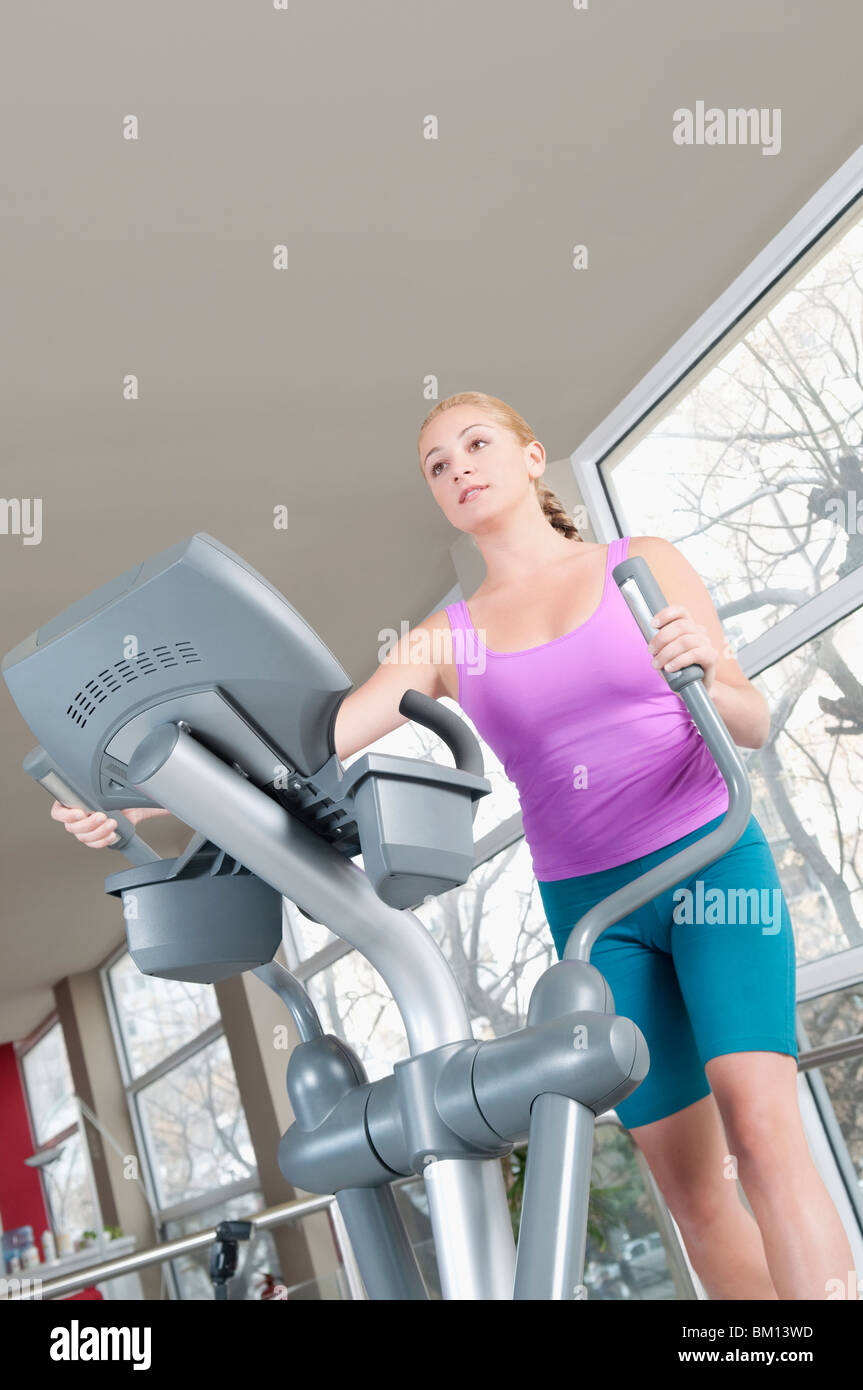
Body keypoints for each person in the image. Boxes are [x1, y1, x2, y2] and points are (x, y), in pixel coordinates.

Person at [53, 390, 856, 1302]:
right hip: (595, 912)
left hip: (709, 863)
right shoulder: (448, 637)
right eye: (438, 464)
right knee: (690, 1194)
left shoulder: (642, 563)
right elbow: (310, 750)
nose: (458, 468)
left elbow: (743, 721)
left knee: (761, 1140)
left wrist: (707, 670)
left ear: (528, 458)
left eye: (476, 445)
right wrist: (156, 797)